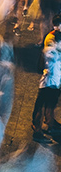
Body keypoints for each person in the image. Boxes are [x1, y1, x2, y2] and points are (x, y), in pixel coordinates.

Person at [32, 14, 61, 143]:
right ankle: (37, 128)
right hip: (50, 75)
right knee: (42, 101)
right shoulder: (51, 38)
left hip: (57, 76)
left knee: (51, 101)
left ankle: (49, 122)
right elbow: (50, 55)